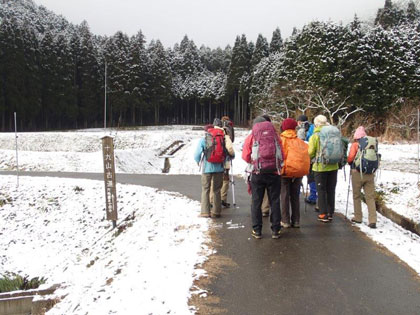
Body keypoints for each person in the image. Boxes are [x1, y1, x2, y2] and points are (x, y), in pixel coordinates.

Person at [242, 116, 283, 239]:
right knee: (274, 201)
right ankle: (276, 230)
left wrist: (254, 162)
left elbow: (245, 156)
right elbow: (282, 154)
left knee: (256, 202)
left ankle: (257, 230)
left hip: (257, 173)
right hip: (274, 173)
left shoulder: (252, 137)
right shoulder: (275, 136)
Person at [195, 122, 234, 218]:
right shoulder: (222, 138)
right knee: (217, 190)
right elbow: (230, 153)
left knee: (205, 189)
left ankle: (205, 212)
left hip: (206, 168)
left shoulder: (204, 139)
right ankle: (216, 212)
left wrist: (198, 161)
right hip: (219, 168)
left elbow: (196, 154)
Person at [308, 115, 339, 223]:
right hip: (334, 165)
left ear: (316, 123)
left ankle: (323, 213)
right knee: (331, 189)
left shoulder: (315, 136)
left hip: (320, 167)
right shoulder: (334, 133)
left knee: (321, 190)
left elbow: (310, 152)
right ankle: (330, 213)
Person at [279, 118, 309, 228]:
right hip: (298, 172)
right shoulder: (300, 141)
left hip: (285, 172)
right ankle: (296, 220)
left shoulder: (281, 140)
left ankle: (285, 220)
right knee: (295, 196)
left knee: (284, 195)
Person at [347, 126, 377, 229]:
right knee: (370, 197)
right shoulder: (372, 144)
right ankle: (372, 220)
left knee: (356, 196)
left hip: (357, 173)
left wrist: (350, 163)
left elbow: (350, 158)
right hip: (370, 173)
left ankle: (358, 217)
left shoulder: (355, 145)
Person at [210, 118, 235, 208]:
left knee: (214, 181)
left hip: (214, 161)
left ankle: (212, 200)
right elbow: (230, 148)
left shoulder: (211, 133)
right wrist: (232, 155)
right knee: (225, 180)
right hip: (225, 161)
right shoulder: (225, 134)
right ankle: (222, 199)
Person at [297, 115, 317, 207]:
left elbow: (300, 144)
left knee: (300, 177)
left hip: (305, 157)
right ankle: (313, 196)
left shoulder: (302, 129)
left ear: (300, 121)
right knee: (312, 177)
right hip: (315, 157)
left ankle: (296, 195)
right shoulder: (313, 127)